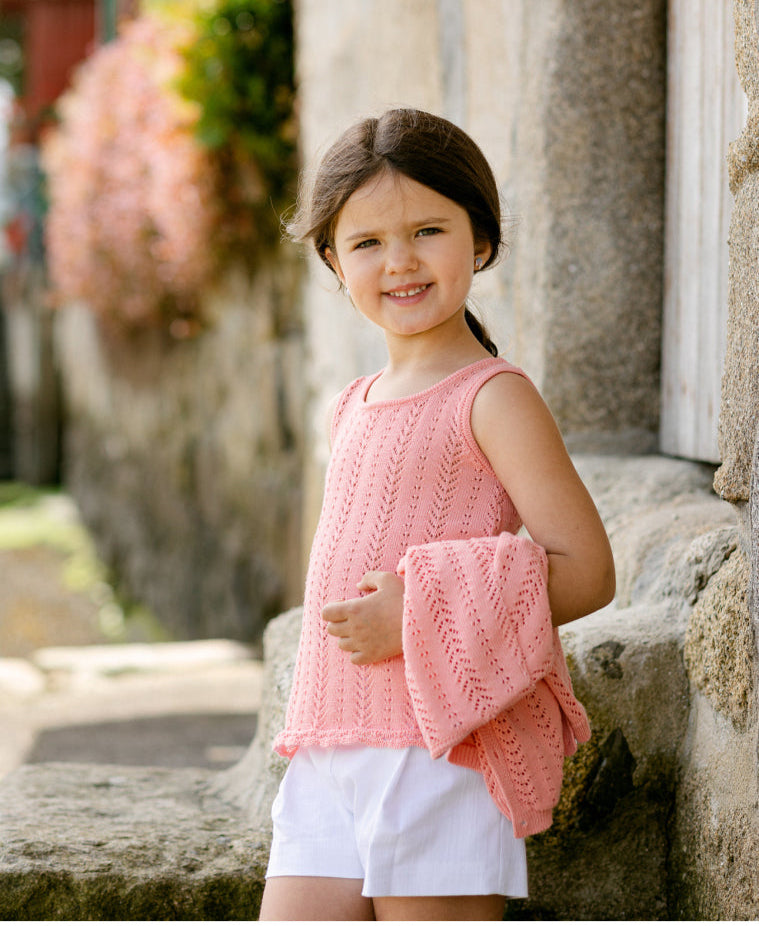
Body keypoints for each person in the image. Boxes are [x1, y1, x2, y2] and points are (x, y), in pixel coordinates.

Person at [259, 108, 615, 922]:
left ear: (481, 240)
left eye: (428, 229)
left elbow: (588, 569)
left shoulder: (493, 397)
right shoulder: (349, 404)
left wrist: (416, 616)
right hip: (327, 748)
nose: (401, 262)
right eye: (367, 242)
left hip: (437, 747)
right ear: (330, 259)